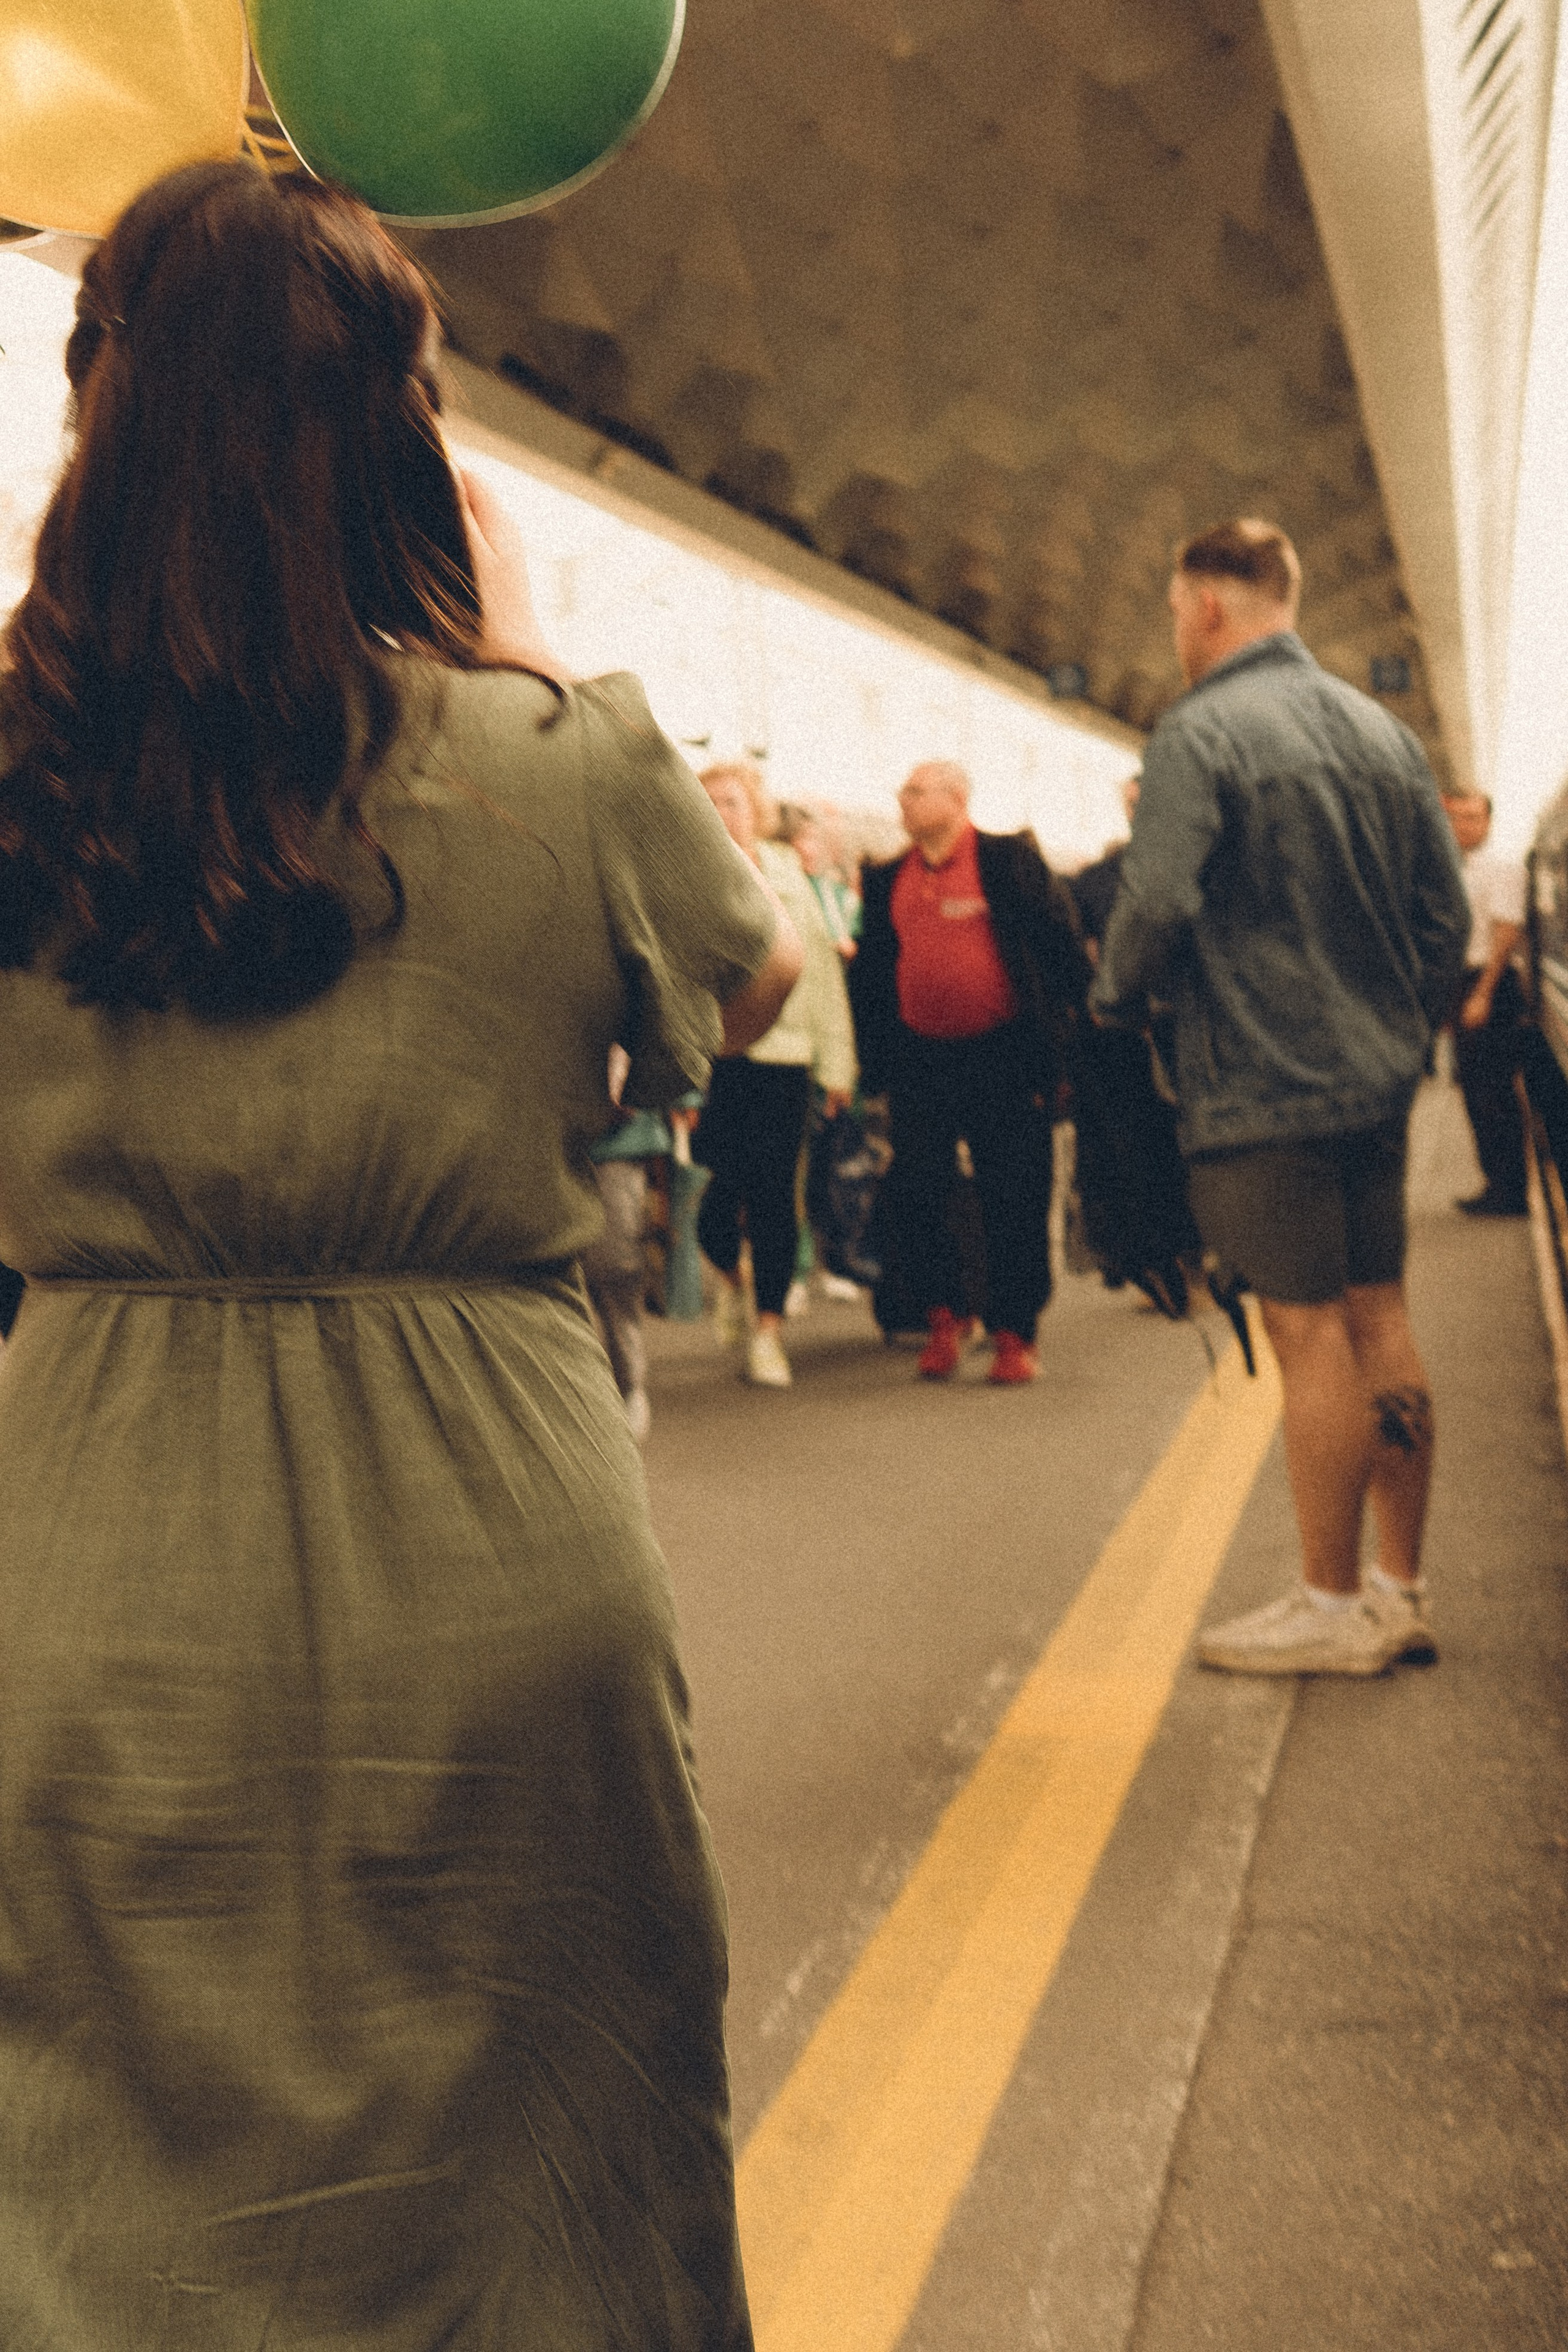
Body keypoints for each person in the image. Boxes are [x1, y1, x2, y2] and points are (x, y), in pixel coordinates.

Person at [0, 160, 803, 2349]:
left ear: (104, 419)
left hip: (84, 1538)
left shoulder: (18, 767)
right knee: (542, 2176)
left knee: (98, 2162)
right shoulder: (559, 760)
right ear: (401, 439)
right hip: (492, 1530)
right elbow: (757, 982)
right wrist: (519, 659)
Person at [1092, 518, 1469, 1676]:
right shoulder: (1383, 734)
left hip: (1259, 1089)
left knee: (1307, 1340)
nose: (1175, 634)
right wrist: (1397, 1030)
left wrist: (1112, 1000)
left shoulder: (1201, 733)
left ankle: (1325, 1598)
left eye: (1172, 614)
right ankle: (1398, 1589)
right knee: (1381, 1321)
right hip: (1370, 1085)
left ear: (1208, 606)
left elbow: (1154, 901)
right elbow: (1444, 924)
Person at [850, 761, 1091, 1384]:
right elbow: (873, 973)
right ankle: (943, 1315)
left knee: (1013, 1191)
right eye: (902, 789)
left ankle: (1015, 1332)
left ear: (957, 799)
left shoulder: (1006, 862)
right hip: (919, 1060)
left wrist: (1065, 1046)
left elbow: (1061, 948)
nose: (902, 799)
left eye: (916, 790)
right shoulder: (887, 879)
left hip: (1005, 1055)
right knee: (918, 1189)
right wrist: (871, 1061)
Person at [693, 764, 857, 1387]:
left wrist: (837, 1066)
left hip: (787, 1059)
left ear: (757, 810)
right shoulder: (693, 876)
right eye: (709, 803)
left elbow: (821, 975)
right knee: (714, 1205)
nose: (722, 813)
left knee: (771, 1197)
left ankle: (768, 1331)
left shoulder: (791, 877)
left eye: (733, 801)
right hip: (719, 1057)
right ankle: (730, 1277)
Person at [1441, 790, 1529, 1216]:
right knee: (1475, 1091)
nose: (1465, 826)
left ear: (1489, 822)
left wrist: (1483, 994)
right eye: (1458, 818)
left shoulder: (1503, 867)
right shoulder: (1454, 870)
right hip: (1465, 985)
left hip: (1490, 985)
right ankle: (1495, 1182)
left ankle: (1510, 1191)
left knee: (1495, 1093)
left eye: (1474, 818)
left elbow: (1507, 930)